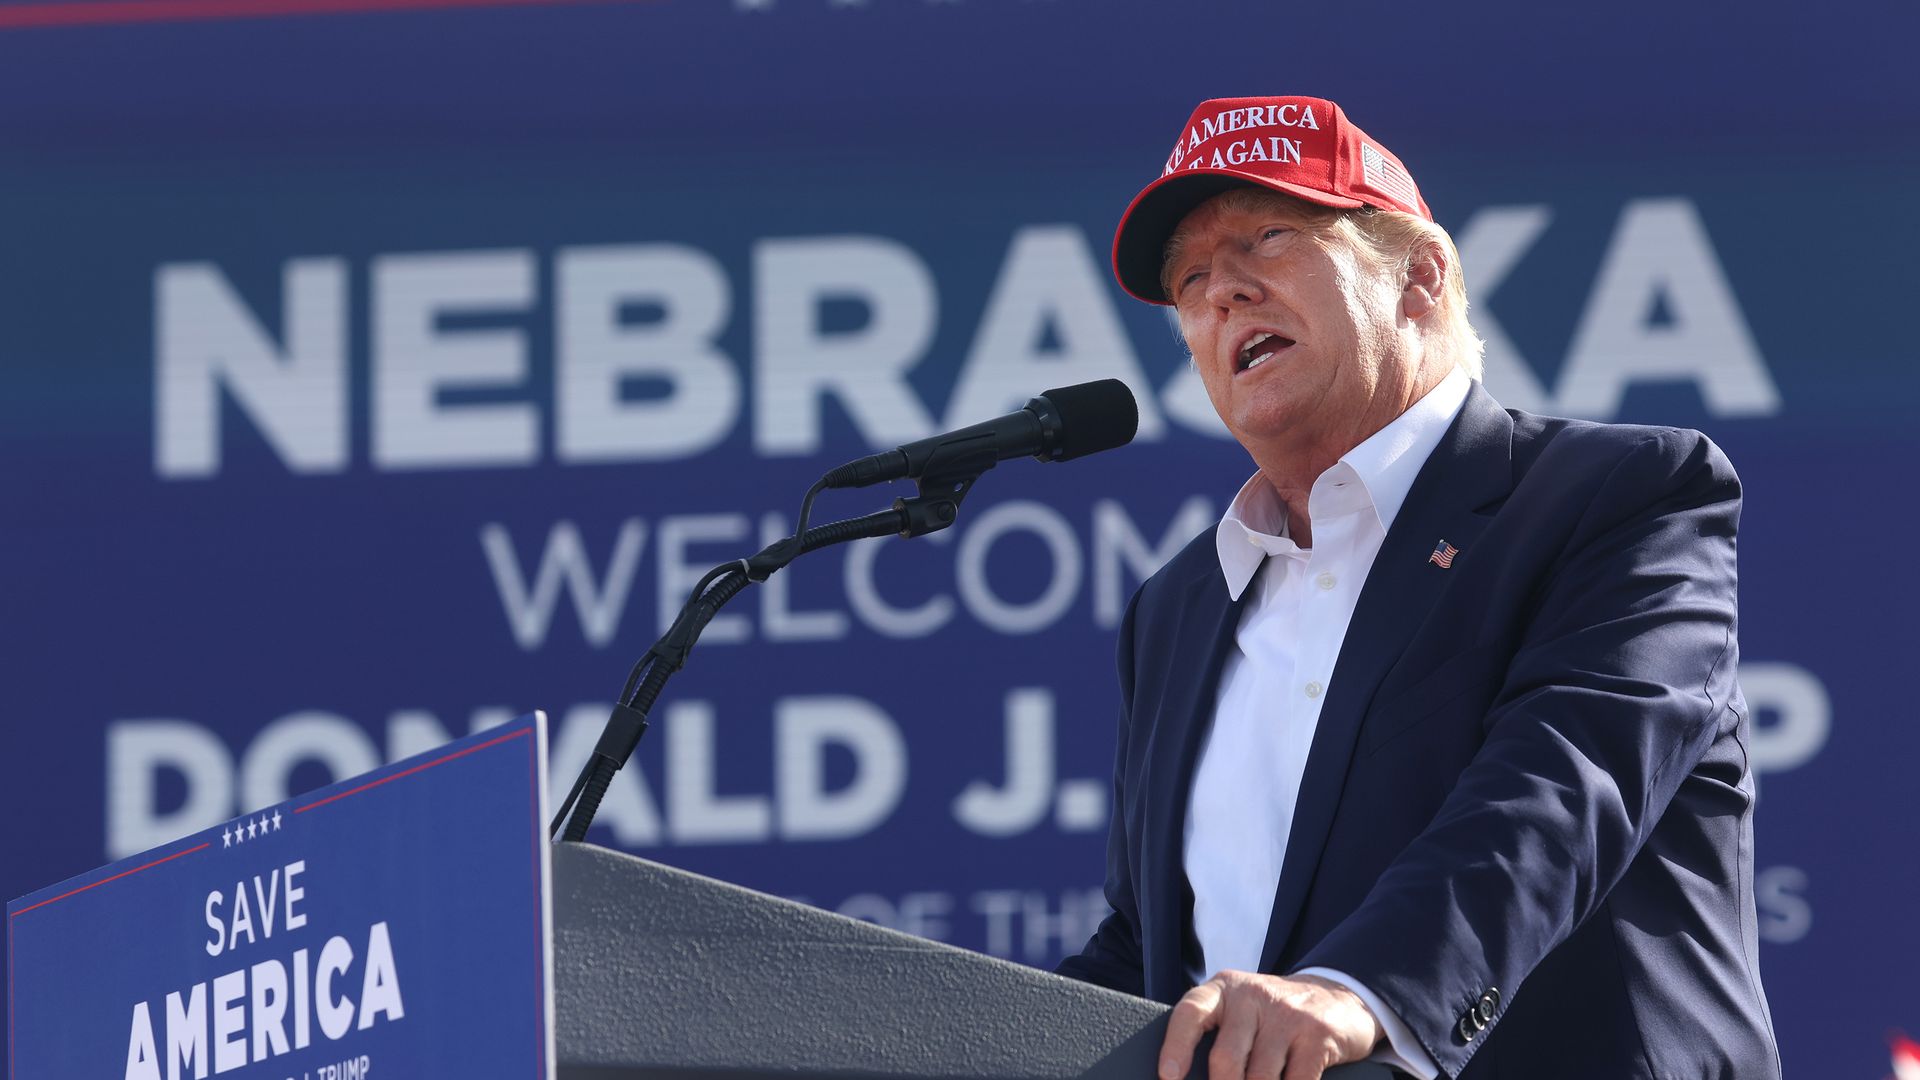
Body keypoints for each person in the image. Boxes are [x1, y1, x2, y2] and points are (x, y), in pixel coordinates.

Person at [1056, 95, 1781, 1080]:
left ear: (1422, 277)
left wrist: (1363, 994)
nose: (1222, 289)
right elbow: (1151, 952)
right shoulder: (1176, 609)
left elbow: (1558, 790)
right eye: (1191, 278)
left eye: (1267, 238)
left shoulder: (1618, 497)